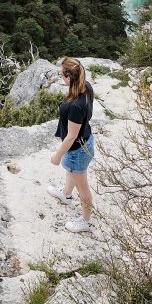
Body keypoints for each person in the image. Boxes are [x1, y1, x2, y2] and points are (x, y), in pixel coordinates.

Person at [47, 56, 94, 233]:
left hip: (76, 150)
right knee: (72, 172)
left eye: (62, 75)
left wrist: (57, 155)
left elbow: (71, 136)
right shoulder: (86, 87)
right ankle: (66, 194)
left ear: (69, 78)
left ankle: (86, 222)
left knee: (83, 188)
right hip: (85, 141)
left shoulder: (76, 105)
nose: (61, 78)